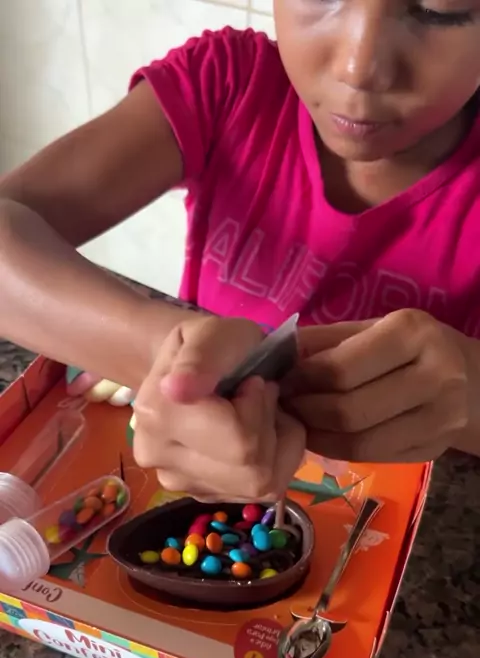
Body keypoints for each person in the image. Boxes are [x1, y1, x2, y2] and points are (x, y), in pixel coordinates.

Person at [0, 0, 479, 503]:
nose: (359, 69)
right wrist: (162, 353)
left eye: (438, 9)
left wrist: (470, 390)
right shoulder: (232, 84)